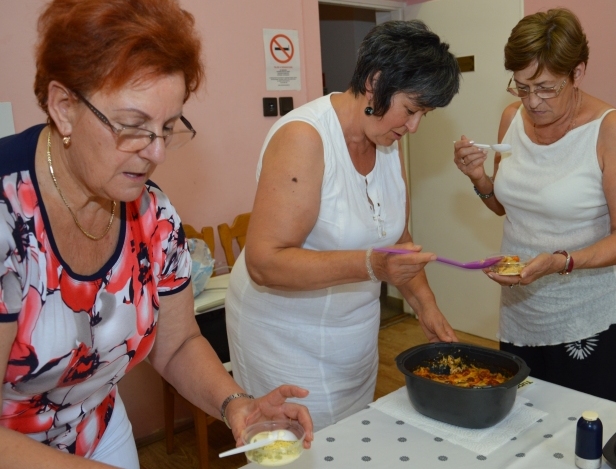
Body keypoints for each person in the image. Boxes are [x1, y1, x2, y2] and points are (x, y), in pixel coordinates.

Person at [0, 1, 312, 467]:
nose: (158, 153)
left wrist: (236, 405)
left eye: (167, 128)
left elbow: (178, 343)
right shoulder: (9, 216)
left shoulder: (154, 214)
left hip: (97, 429)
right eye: (133, 127)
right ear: (63, 107)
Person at [226, 20, 461, 429]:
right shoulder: (306, 138)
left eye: (423, 114)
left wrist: (427, 307)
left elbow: (396, 238)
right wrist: (371, 266)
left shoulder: (387, 141)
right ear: (375, 81)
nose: (414, 127)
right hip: (283, 341)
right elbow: (264, 262)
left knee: (352, 444)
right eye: (410, 109)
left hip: (351, 343)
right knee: (301, 450)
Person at [453, 8, 616, 404]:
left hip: (585, 315)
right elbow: (506, 209)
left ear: (577, 73)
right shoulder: (512, 119)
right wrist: (479, 179)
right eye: (521, 87)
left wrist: (561, 261)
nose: (532, 101)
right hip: (522, 308)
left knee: (587, 429)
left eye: (545, 88)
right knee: (524, 425)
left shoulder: (611, 129)